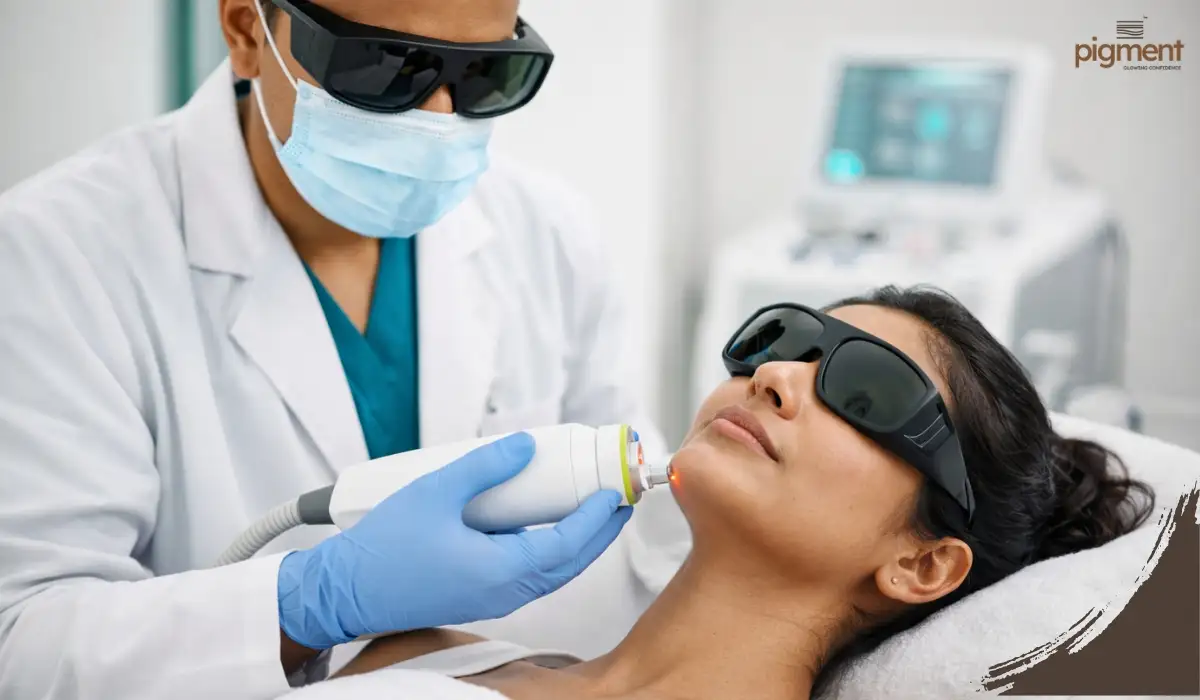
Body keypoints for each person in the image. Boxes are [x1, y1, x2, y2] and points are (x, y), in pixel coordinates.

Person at [0, 1, 662, 698]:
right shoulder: (55, 254)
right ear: (248, 30)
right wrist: (310, 604)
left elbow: (645, 542)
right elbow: (23, 644)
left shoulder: (549, 235)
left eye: (488, 75)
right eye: (385, 65)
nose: (438, 118)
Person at [281, 286, 1156, 700]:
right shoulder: (413, 649)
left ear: (923, 563)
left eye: (869, 393)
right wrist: (303, 613)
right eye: (787, 339)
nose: (776, 374)